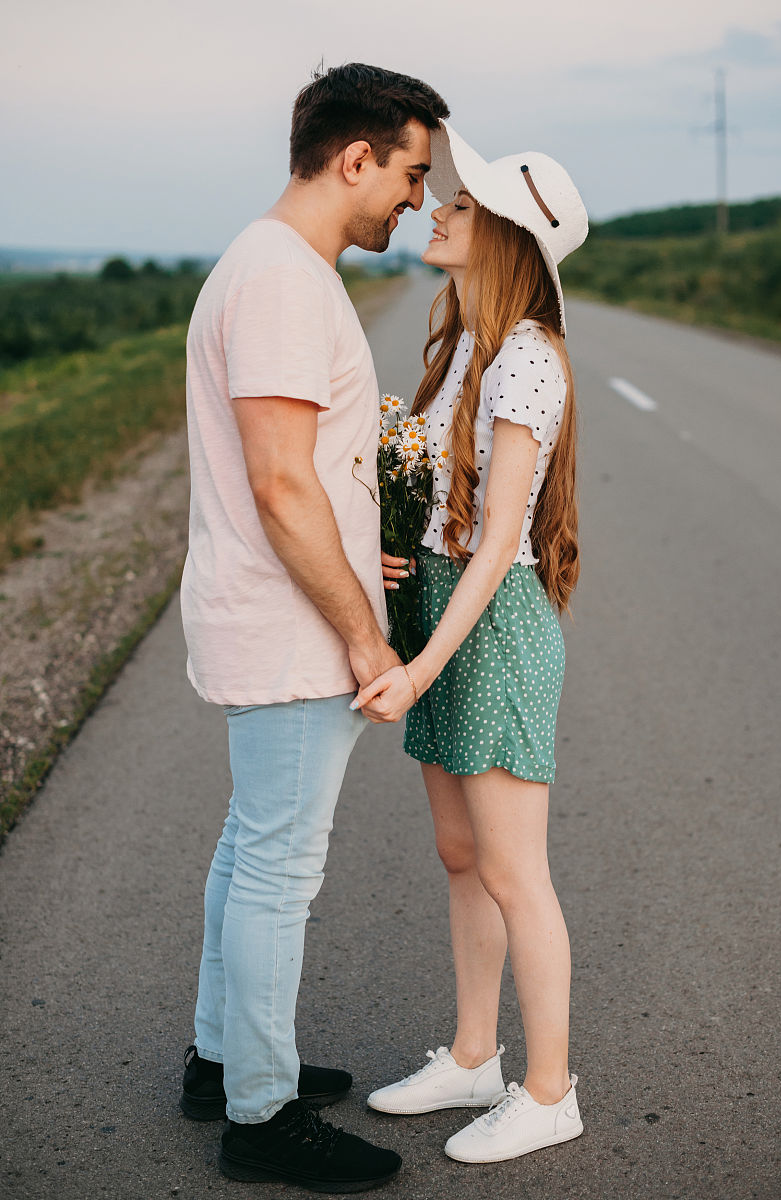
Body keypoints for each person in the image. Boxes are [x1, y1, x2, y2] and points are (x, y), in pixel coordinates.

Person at [178, 63, 449, 1191]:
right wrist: (363, 631)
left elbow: (304, 480)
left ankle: (218, 1061)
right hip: (293, 634)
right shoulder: (284, 281)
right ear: (356, 159)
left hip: (279, 613)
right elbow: (282, 486)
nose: (418, 202)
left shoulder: (271, 267)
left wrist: (357, 539)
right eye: (411, 172)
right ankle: (257, 1116)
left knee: (250, 851)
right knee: (279, 870)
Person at [354, 122, 589, 1164]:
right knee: (462, 856)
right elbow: (443, 515)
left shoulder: (529, 361)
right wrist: (389, 556)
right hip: (446, 610)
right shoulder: (462, 343)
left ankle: (547, 1092)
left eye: (462, 202)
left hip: (488, 629)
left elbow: (497, 547)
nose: (439, 207)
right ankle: (471, 1055)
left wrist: (417, 666)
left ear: (502, 236)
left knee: (513, 871)